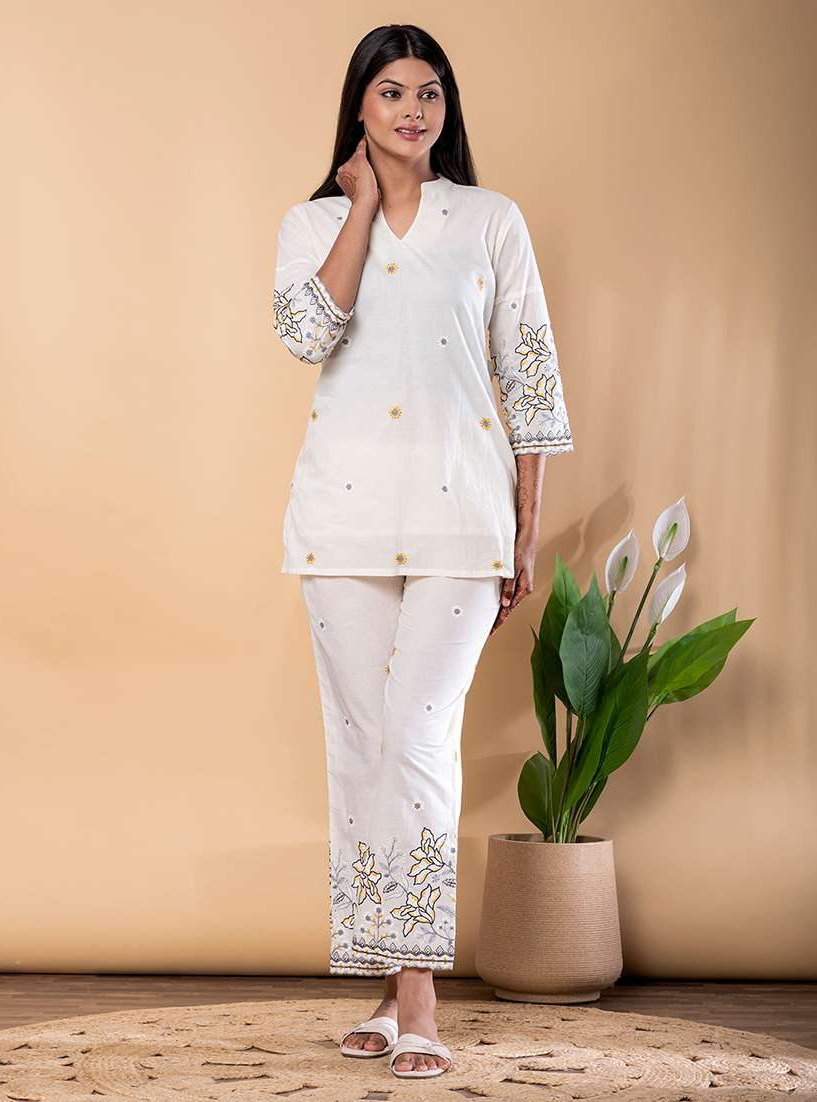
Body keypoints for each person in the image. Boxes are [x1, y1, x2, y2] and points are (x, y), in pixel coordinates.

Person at [273, 24, 574, 1080]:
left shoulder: (489, 221)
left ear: (447, 108)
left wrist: (525, 523)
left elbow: (530, 376)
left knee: (413, 736)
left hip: (460, 516)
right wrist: (358, 207)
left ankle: (418, 993)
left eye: (429, 92)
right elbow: (307, 333)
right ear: (359, 106)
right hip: (342, 519)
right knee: (361, 744)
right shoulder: (312, 222)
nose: (413, 109)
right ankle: (380, 977)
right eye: (392, 92)